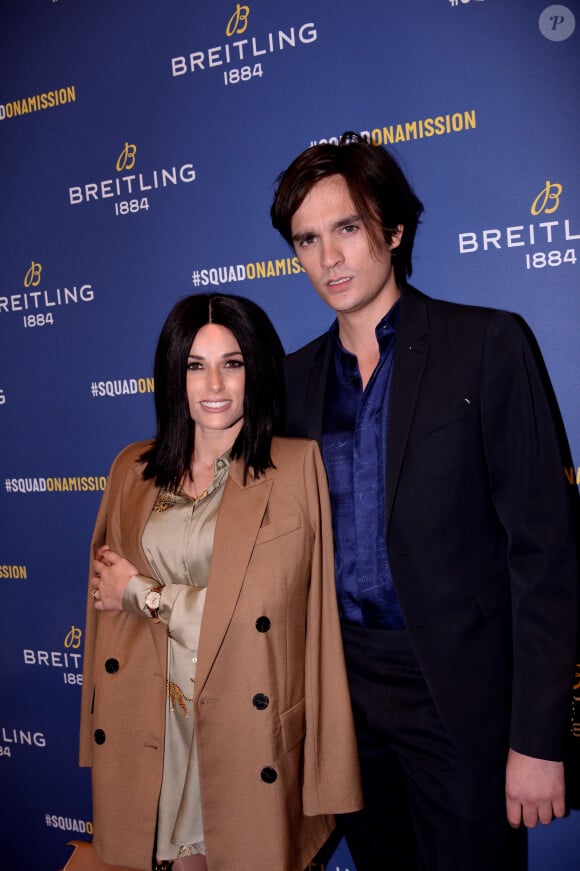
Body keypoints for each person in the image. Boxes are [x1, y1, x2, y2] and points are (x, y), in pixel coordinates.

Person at [271, 133, 579, 870]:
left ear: (394, 229)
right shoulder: (293, 380)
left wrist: (538, 737)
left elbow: (546, 551)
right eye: (307, 239)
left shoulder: (488, 344)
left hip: (459, 692)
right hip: (342, 694)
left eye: (347, 227)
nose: (329, 258)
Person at [79, 293, 362, 871]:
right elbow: (103, 608)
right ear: (173, 374)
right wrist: (96, 732)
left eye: (232, 363)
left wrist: (143, 594)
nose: (214, 384)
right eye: (195, 364)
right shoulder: (130, 470)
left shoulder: (293, 467)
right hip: (152, 718)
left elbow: (260, 612)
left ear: (254, 370)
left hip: (245, 719)